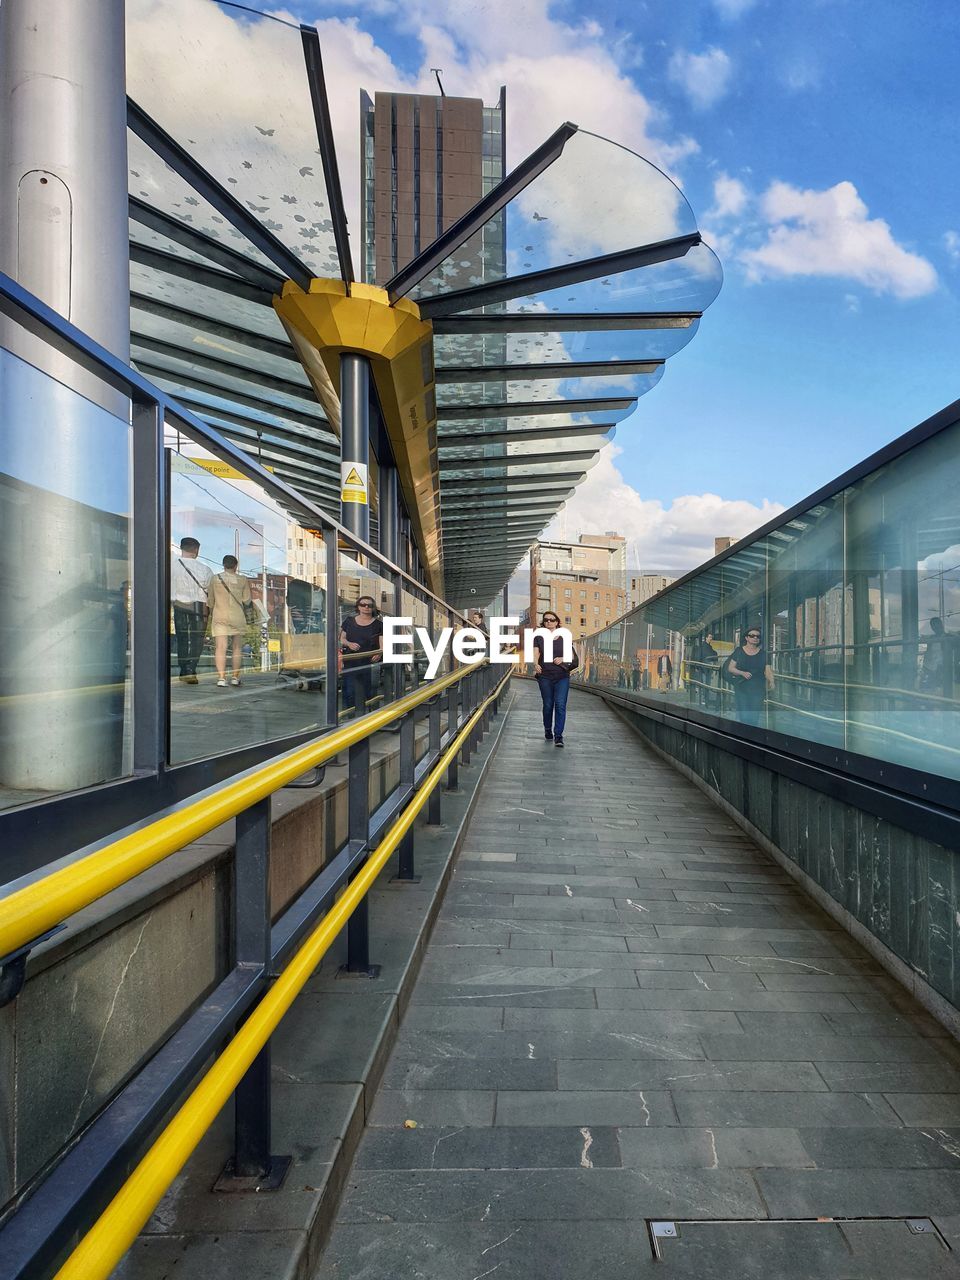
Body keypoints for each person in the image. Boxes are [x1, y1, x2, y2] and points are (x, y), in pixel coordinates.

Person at [533, 611, 579, 747]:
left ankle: (558, 736)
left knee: (560, 704)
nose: (549, 622)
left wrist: (562, 659)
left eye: (552, 620)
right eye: (546, 620)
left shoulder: (564, 637)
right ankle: (548, 729)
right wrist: (535, 664)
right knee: (548, 705)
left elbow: (572, 656)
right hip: (545, 675)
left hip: (562, 676)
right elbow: (536, 653)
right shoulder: (539, 636)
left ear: (557, 622)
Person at [171, 536, 211, 684]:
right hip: (199, 606)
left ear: (181, 548)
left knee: (182, 638)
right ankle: (191, 669)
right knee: (197, 639)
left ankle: (183, 669)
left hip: (179, 605)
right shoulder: (205, 569)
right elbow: (209, 588)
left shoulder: (171, 567)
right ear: (196, 550)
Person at [207, 555, 252, 688]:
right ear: (235, 566)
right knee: (237, 648)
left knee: (221, 647)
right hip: (237, 616)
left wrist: (211, 614)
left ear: (223, 565)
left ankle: (221, 678)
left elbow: (210, 600)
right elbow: (247, 600)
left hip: (220, 615)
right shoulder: (242, 579)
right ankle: (235, 677)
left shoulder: (215, 579)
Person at [340, 595, 384, 718]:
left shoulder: (379, 624)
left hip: (369, 662)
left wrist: (379, 653)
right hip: (350, 661)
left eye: (369, 605)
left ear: (373, 608)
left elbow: (383, 644)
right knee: (349, 691)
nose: (366, 607)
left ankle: (370, 718)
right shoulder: (349, 621)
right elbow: (342, 638)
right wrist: (349, 643)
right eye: (363, 605)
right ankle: (350, 719)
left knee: (369, 692)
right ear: (358, 607)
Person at [727, 624, 775, 726]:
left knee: (754, 716)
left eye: (758, 636)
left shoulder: (764, 654)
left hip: (758, 688)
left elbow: (768, 671)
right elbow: (731, 668)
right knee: (744, 715)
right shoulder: (739, 651)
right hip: (742, 687)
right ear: (746, 638)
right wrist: (742, 673)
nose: (755, 638)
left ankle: (750, 736)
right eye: (752, 635)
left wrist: (772, 681)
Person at [920, 617, 955, 697]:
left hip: (941, 668)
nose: (935, 627)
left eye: (937, 624)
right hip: (929, 667)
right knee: (926, 690)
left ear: (941, 625)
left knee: (941, 691)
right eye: (933, 625)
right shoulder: (931, 638)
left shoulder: (949, 637)